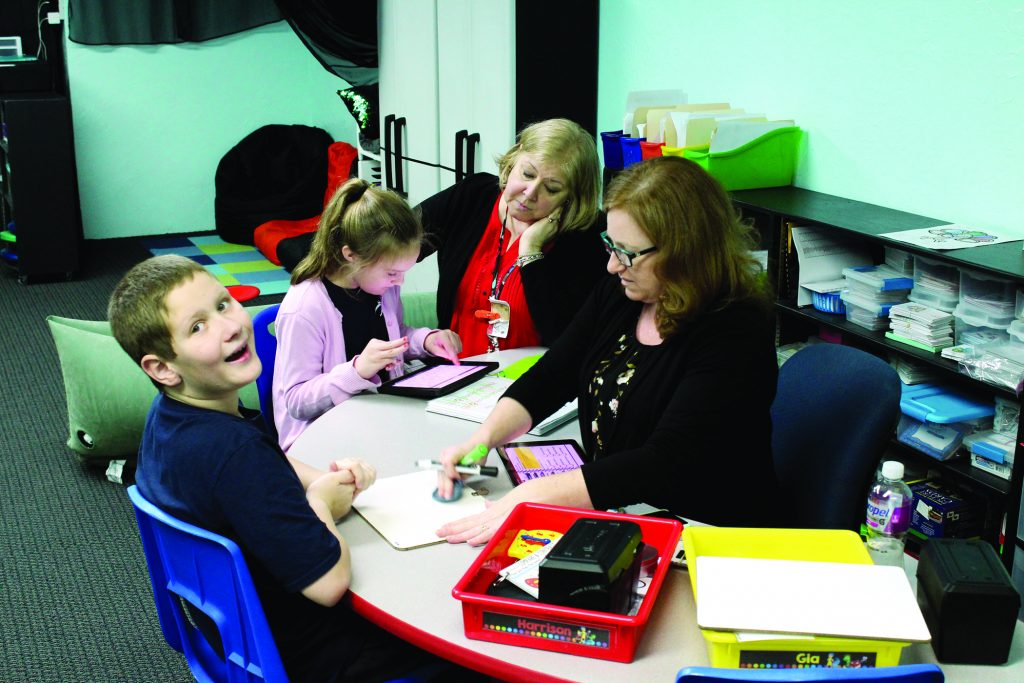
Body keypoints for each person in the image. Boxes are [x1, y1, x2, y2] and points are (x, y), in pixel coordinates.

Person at [108, 255, 464, 682]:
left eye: (223, 304)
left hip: (241, 637)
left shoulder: (172, 419)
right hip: (314, 653)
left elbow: (266, 463)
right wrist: (319, 501)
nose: (230, 326)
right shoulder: (234, 453)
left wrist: (322, 478)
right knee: (459, 630)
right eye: (197, 327)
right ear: (162, 368)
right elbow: (329, 585)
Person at [434, 156, 780, 544]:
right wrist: (481, 440)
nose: (614, 266)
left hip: (707, 534)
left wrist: (532, 497)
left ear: (686, 252)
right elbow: (554, 375)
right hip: (623, 510)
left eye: (628, 253)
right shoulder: (625, 292)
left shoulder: (736, 328)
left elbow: (664, 463)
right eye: (610, 246)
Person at [274, 178, 462, 452]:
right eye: (392, 273)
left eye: (404, 272)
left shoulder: (382, 287)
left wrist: (426, 340)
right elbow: (297, 401)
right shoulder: (305, 308)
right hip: (319, 440)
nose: (400, 282)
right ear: (351, 255)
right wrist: (357, 370)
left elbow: (395, 336)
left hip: (380, 416)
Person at [417, 118, 607, 357]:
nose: (529, 194)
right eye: (527, 174)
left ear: (572, 198)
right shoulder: (473, 196)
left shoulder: (586, 239)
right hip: (455, 374)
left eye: (552, 189)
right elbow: (392, 239)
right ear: (513, 160)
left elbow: (565, 340)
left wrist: (531, 252)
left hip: (527, 386)